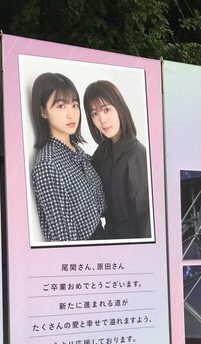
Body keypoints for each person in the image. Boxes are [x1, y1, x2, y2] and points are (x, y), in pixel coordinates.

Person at [30, 72, 106, 242]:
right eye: (61, 106)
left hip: (103, 239)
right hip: (87, 252)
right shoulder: (48, 165)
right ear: (43, 112)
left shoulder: (76, 151)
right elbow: (65, 241)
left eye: (74, 105)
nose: (71, 114)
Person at [83, 80, 150, 240]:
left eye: (106, 109)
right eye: (94, 113)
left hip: (132, 241)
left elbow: (146, 218)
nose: (102, 119)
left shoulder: (137, 155)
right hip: (109, 237)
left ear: (119, 108)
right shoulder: (104, 151)